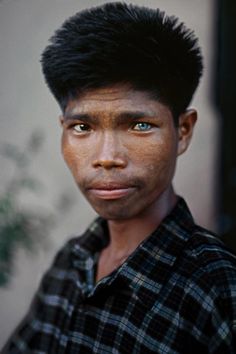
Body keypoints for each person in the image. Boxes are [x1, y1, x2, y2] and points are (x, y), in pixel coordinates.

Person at [2, 2, 236, 353]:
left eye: (140, 125)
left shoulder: (218, 290)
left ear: (183, 131)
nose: (107, 157)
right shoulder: (72, 262)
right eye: (82, 127)